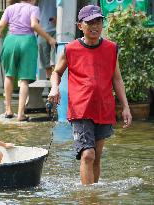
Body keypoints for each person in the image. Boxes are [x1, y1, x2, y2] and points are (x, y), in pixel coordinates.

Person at [48, 5, 132, 185]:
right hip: (80, 109)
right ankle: (87, 198)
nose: (95, 26)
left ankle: (93, 197)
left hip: (104, 109)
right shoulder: (70, 49)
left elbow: (117, 79)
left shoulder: (111, 48)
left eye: (98, 22)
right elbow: (56, 72)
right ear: (80, 26)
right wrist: (54, 88)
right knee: (88, 155)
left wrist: (125, 107)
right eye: (90, 22)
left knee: (97, 156)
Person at [0, 0, 56, 121]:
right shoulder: (33, 9)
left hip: (10, 40)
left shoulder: (10, 8)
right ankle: (20, 114)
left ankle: (8, 110)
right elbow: (34, 25)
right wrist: (49, 38)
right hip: (27, 42)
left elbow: (0, 26)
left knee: (9, 76)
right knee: (24, 80)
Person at [37, 0, 57, 80]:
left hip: (58, 30)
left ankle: (55, 84)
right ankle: (51, 86)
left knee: (55, 60)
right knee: (46, 62)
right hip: (42, 29)